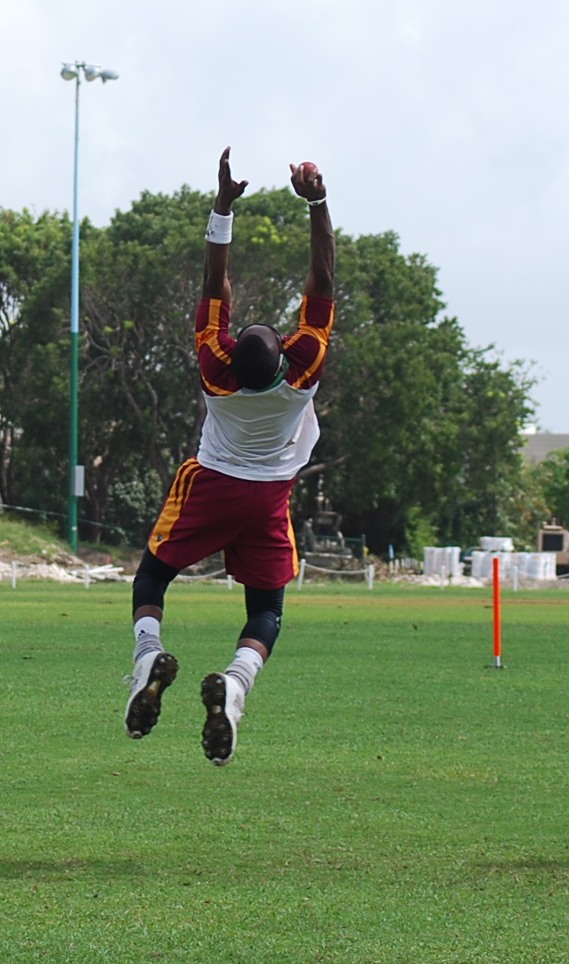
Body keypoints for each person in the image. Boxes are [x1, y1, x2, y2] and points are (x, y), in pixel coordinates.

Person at [124, 147, 335, 766]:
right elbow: (322, 281)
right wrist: (316, 201)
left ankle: (146, 660)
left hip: (212, 482)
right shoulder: (303, 372)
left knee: (153, 576)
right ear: (282, 356)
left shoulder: (216, 370)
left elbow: (215, 283)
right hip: (270, 496)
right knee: (267, 608)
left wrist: (223, 208)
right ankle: (236, 685)